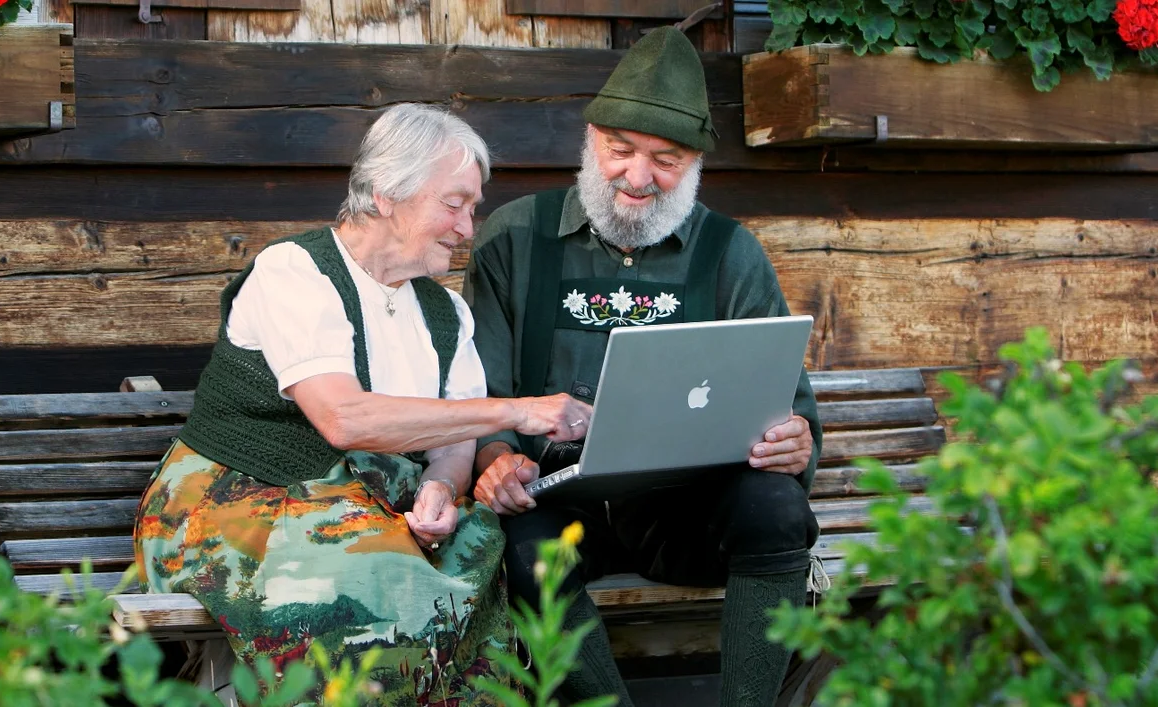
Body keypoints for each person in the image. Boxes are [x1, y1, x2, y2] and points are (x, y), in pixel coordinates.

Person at [133, 103, 593, 705]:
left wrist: (439, 487)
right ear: (385, 195)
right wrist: (514, 412)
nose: (466, 227)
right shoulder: (294, 272)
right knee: (370, 579)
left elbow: (454, 440)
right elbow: (344, 418)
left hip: (364, 509)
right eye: (453, 204)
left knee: (477, 556)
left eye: (472, 207)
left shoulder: (443, 311)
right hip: (241, 499)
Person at [461, 27, 825, 707]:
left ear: (694, 163)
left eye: (666, 158)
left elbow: (792, 407)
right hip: (555, 505)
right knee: (525, 554)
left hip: (683, 512)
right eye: (620, 150)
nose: (637, 176)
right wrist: (494, 457)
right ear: (590, 137)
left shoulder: (730, 252)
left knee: (778, 507)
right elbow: (480, 390)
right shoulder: (513, 239)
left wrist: (794, 440)